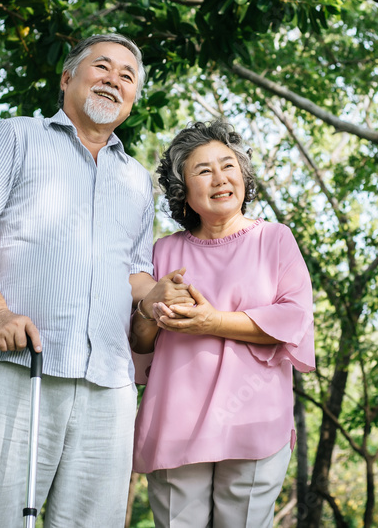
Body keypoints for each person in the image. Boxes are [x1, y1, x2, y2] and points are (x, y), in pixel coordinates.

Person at [0, 33, 174, 528]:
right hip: (21, 366)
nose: (114, 80)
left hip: (109, 384)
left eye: (127, 77)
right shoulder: (15, 135)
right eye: (102, 67)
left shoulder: (136, 180)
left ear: (133, 100)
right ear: (67, 77)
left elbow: (133, 274)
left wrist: (158, 296)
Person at [130, 119, 316, 528]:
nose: (220, 178)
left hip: (255, 420)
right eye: (203, 170)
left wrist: (211, 321)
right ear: (183, 189)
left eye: (228, 165)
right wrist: (151, 312)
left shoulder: (274, 239)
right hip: (175, 420)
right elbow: (139, 346)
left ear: (244, 176)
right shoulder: (162, 251)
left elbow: (294, 319)